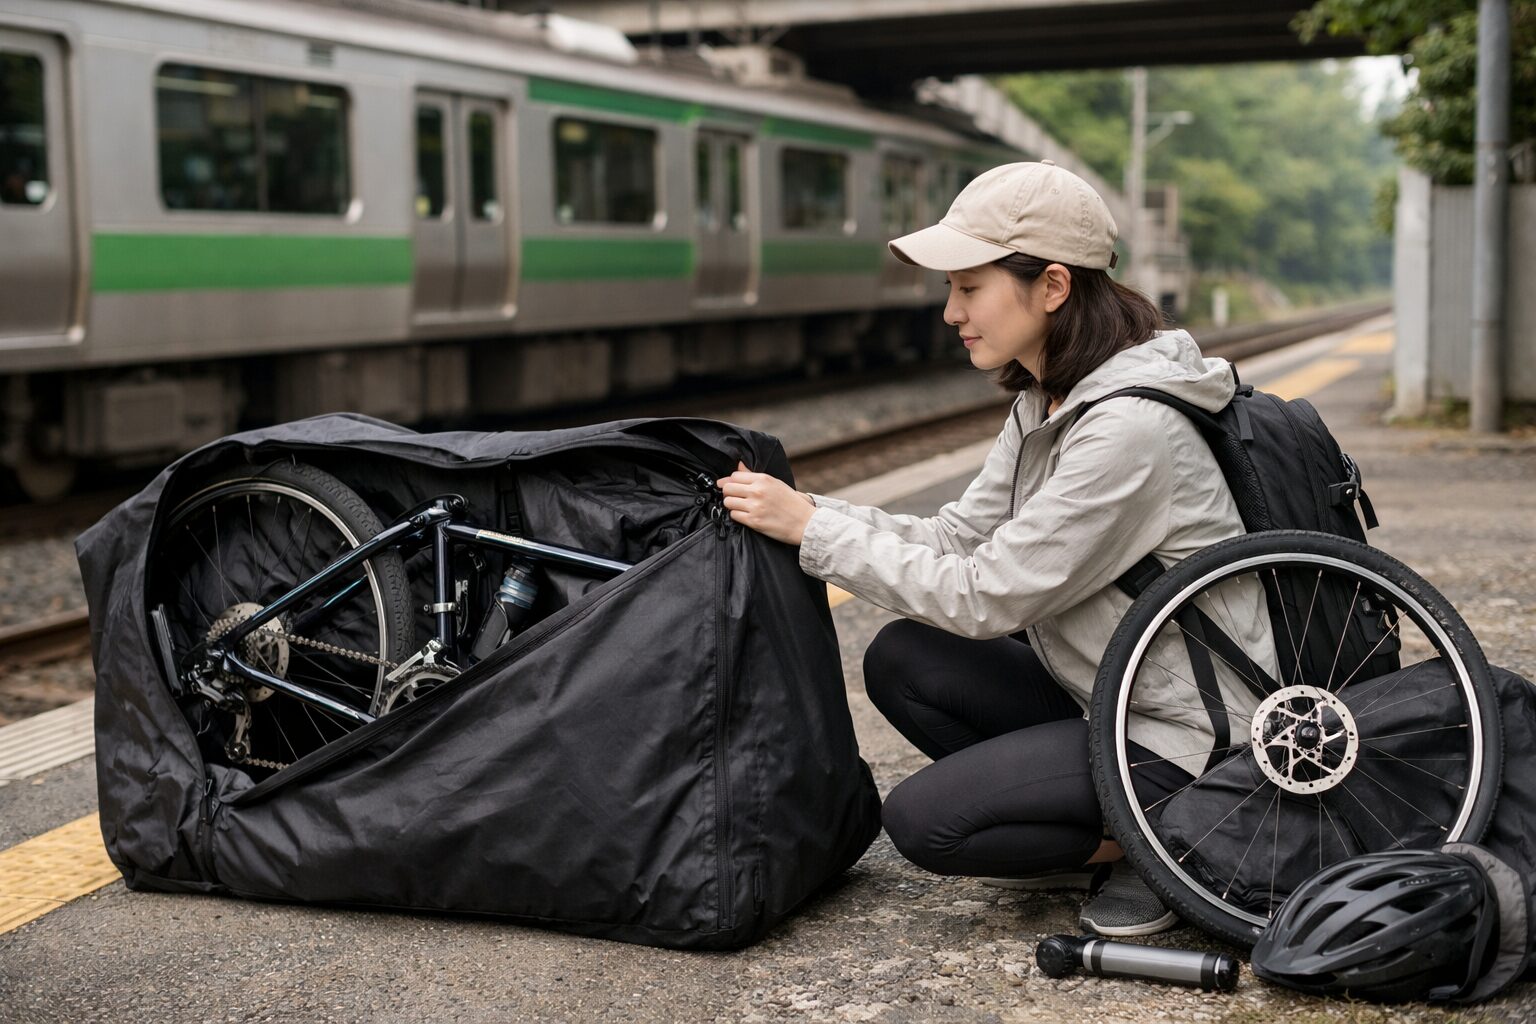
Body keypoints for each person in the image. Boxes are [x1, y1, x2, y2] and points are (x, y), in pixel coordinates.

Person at [716, 160, 1260, 937]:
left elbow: (986, 594)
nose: (950, 312)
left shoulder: (1131, 429)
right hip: (1106, 692)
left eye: (969, 288)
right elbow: (955, 538)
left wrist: (814, 532)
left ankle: (1174, 841)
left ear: (1053, 287)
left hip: (1192, 735)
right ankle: (1105, 825)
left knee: (926, 823)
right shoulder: (1052, 397)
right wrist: (806, 509)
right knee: (903, 658)